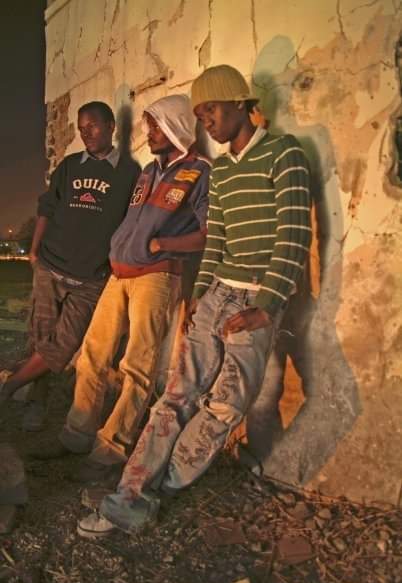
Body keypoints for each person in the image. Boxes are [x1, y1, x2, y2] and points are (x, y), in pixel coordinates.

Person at [76, 64, 312, 538]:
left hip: (257, 297)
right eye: (201, 114)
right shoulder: (222, 169)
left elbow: (294, 234)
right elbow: (217, 239)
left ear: (241, 104)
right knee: (176, 395)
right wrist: (200, 295)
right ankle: (131, 494)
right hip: (218, 291)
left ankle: (156, 488)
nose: (207, 121)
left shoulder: (284, 153)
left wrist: (267, 305)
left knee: (226, 405)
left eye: (212, 110)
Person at [34, 94, 210, 485]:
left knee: (138, 366)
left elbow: (209, 233)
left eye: (156, 126)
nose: (149, 133)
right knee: (92, 355)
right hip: (120, 273)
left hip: (157, 276)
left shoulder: (199, 172)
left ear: (176, 127)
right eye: (149, 124)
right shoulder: (147, 171)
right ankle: (76, 436)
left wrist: (162, 245)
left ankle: (111, 449)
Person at [0, 101, 140, 431]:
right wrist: (35, 251)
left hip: (91, 277)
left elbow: (130, 223)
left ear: (111, 127)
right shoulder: (69, 166)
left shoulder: (129, 173)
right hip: (51, 266)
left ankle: (9, 386)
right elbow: (47, 208)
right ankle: (36, 403)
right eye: (81, 127)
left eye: (92, 126)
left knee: (64, 345)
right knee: (40, 339)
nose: (85, 133)